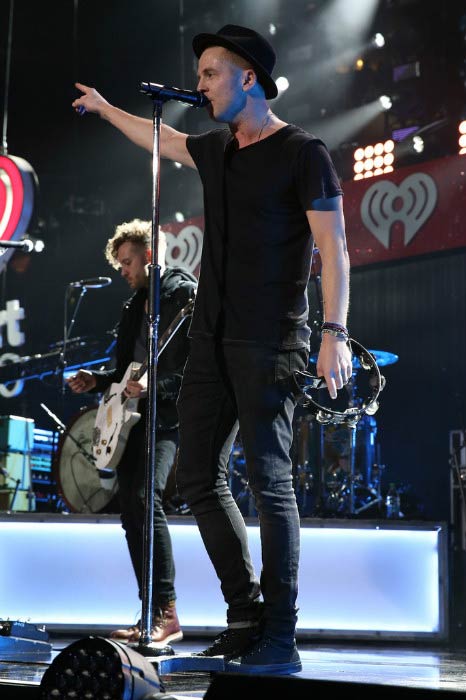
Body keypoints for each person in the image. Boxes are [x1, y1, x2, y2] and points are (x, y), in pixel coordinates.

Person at [72, 24, 352, 675]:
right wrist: (109, 107)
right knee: (195, 475)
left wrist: (333, 334)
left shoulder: (303, 153)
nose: (198, 86)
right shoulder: (218, 148)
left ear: (247, 77)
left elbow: (334, 249)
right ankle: (245, 613)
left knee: (270, 482)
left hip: (272, 339)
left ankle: (280, 631)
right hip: (210, 342)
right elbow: (162, 139)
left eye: (208, 75)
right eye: (197, 76)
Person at [67, 219, 197, 648]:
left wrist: (155, 388)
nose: (122, 270)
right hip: (132, 417)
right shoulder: (132, 307)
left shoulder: (182, 295)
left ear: (150, 254)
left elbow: (192, 366)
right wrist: (99, 379)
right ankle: (149, 612)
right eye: (119, 264)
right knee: (130, 511)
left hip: (168, 417)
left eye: (127, 262)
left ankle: (167, 611)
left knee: (146, 498)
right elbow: (128, 373)